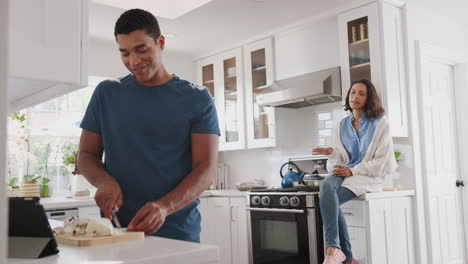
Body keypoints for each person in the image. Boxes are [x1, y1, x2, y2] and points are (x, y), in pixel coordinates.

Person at [77, 8, 220, 243]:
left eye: (141, 49)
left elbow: (206, 170)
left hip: (177, 233)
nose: (133, 61)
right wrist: (103, 181)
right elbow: (85, 154)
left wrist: (164, 206)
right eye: (124, 53)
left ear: (160, 42)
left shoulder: (197, 98)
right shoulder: (106, 93)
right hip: (117, 231)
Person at [312, 79, 397, 264]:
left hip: (366, 176)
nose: (355, 97)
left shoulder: (381, 123)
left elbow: (382, 161)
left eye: (361, 93)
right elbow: (341, 157)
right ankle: (335, 249)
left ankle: (342, 254)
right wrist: (331, 152)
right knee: (326, 185)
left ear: (369, 98)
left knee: (329, 201)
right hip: (345, 171)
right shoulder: (341, 125)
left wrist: (353, 171)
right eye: (352, 92)